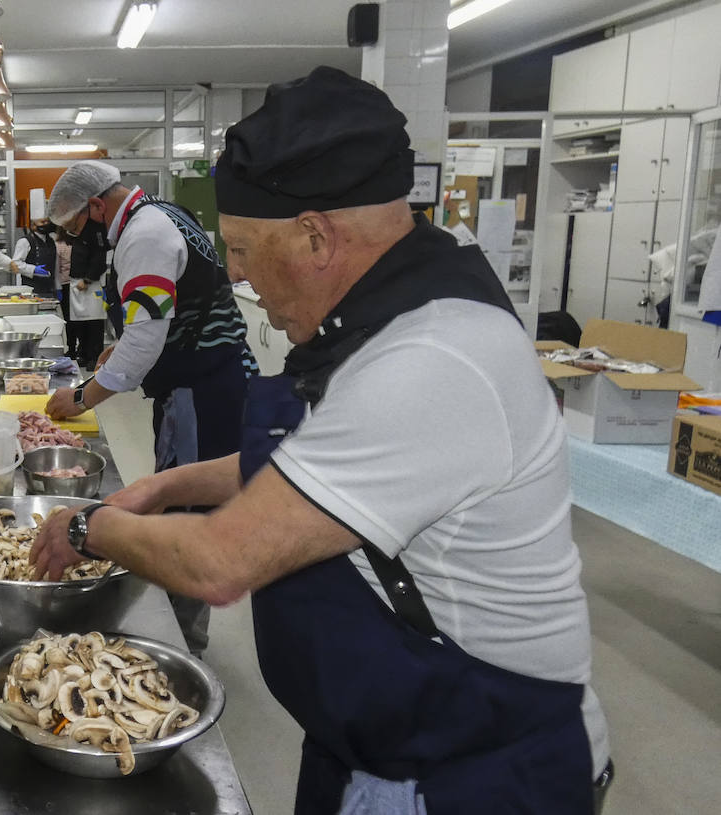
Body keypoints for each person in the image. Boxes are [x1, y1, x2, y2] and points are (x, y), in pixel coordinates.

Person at [31, 67, 611, 814]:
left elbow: (218, 561)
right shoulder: (384, 324)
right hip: (385, 735)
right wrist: (163, 485)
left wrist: (92, 523)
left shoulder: (432, 358)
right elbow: (312, 476)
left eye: (240, 250)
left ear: (315, 237)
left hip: (476, 768)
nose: (236, 275)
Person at [44, 160, 257, 652]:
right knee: (182, 502)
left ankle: (182, 645)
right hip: (208, 380)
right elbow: (174, 310)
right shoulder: (165, 214)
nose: (80, 239)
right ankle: (181, 629)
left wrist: (80, 397)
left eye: (77, 226)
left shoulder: (144, 235)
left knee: (187, 510)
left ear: (97, 205)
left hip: (201, 391)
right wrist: (118, 349)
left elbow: (145, 342)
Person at [65, 221, 110, 369]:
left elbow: (99, 261)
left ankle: (95, 357)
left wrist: (87, 280)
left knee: (94, 323)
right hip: (76, 284)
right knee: (80, 323)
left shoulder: (95, 236)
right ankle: (83, 353)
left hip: (92, 285)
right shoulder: (75, 238)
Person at [11, 217, 59, 298]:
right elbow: (15, 264)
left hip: (49, 288)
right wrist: (33, 269)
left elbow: (56, 265)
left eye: (48, 222)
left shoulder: (51, 240)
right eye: (43, 222)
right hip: (30, 288)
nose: (46, 224)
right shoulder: (24, 241)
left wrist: (58, 287)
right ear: (33, 226)